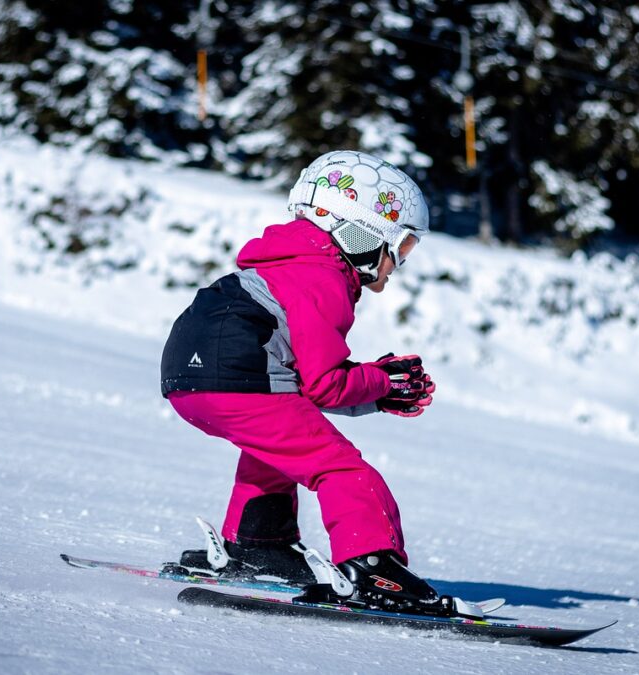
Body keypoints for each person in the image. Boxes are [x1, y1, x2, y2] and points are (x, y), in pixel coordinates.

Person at [160, 150, 443, 613]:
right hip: (238, 376)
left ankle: (260, 544)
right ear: (362, 233)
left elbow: (304, 385)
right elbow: (325, 385)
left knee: (277, 445)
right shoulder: (323, 276)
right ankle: (372, 569)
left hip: (188, 381)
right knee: (342, 469)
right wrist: (382, 384)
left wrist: (374, 387)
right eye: (403, 247)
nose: (398, 265)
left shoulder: (283, 266)